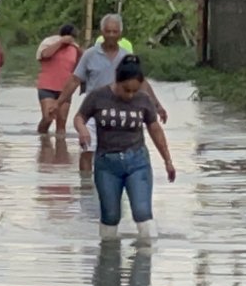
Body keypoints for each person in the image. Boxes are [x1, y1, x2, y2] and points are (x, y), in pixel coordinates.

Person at [75, 54, 176, 241]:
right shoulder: (98, 97)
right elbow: (79, 117)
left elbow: (155, 130)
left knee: (142, 213)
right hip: (107, 164)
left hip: (137, 162)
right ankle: (108, 261)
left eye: (134, 91)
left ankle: (146, 259)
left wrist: (167, 161)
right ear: (117, 80)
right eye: (126, 90)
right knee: (110, 217)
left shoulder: (143, 100)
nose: (130, 95)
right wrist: (82, 130)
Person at [56, 14, 167, 173]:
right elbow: (75, 80)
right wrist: (58, 103)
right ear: (102, 32)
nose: (111, 36)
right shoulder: (90, 55)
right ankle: (86, 188)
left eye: (115, 32)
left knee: (119, 153)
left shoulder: (126, 58)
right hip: (93, 112)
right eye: (108, 31)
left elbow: (141, 83)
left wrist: (157, 106)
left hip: (121, 112)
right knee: (87, 151)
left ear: (120, 34)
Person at [35, 24, 82, 134]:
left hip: (65, 89)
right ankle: (42, 140)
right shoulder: (48, 43)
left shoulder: (74, 48)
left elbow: (80, 66)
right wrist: (61, 43)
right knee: (47, 118)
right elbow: (45, 54)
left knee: (61, 126)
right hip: (47, 87)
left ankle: (61, 149)